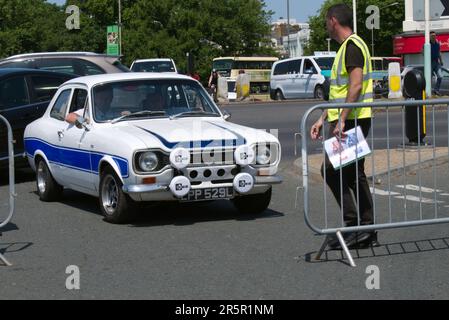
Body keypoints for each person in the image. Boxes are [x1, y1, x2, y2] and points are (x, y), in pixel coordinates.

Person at [310, 3, 376, 249]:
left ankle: (359, 226)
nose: (326, 26)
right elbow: (340, 92)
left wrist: (342, 119)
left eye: (327, 21)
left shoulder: (352, 47)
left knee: (337, 170)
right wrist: (321, 118)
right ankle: (362, 227)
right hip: (348, 119)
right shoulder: (346, 48)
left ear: (334, 20)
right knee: (347, 171)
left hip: (353, 119)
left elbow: (356, 86)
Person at [430, 31, 443, 96]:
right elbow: (422, 51)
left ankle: (436, 90)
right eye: (432, 36)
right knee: (429, 77)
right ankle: (428, 91)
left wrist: (441, 61)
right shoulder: (427, 44)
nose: (433, 37)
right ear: (430, 37)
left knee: (440, 76)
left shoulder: (437, 44)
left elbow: (439, 53)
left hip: (436, 62)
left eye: (434, 35)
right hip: (430, 63)